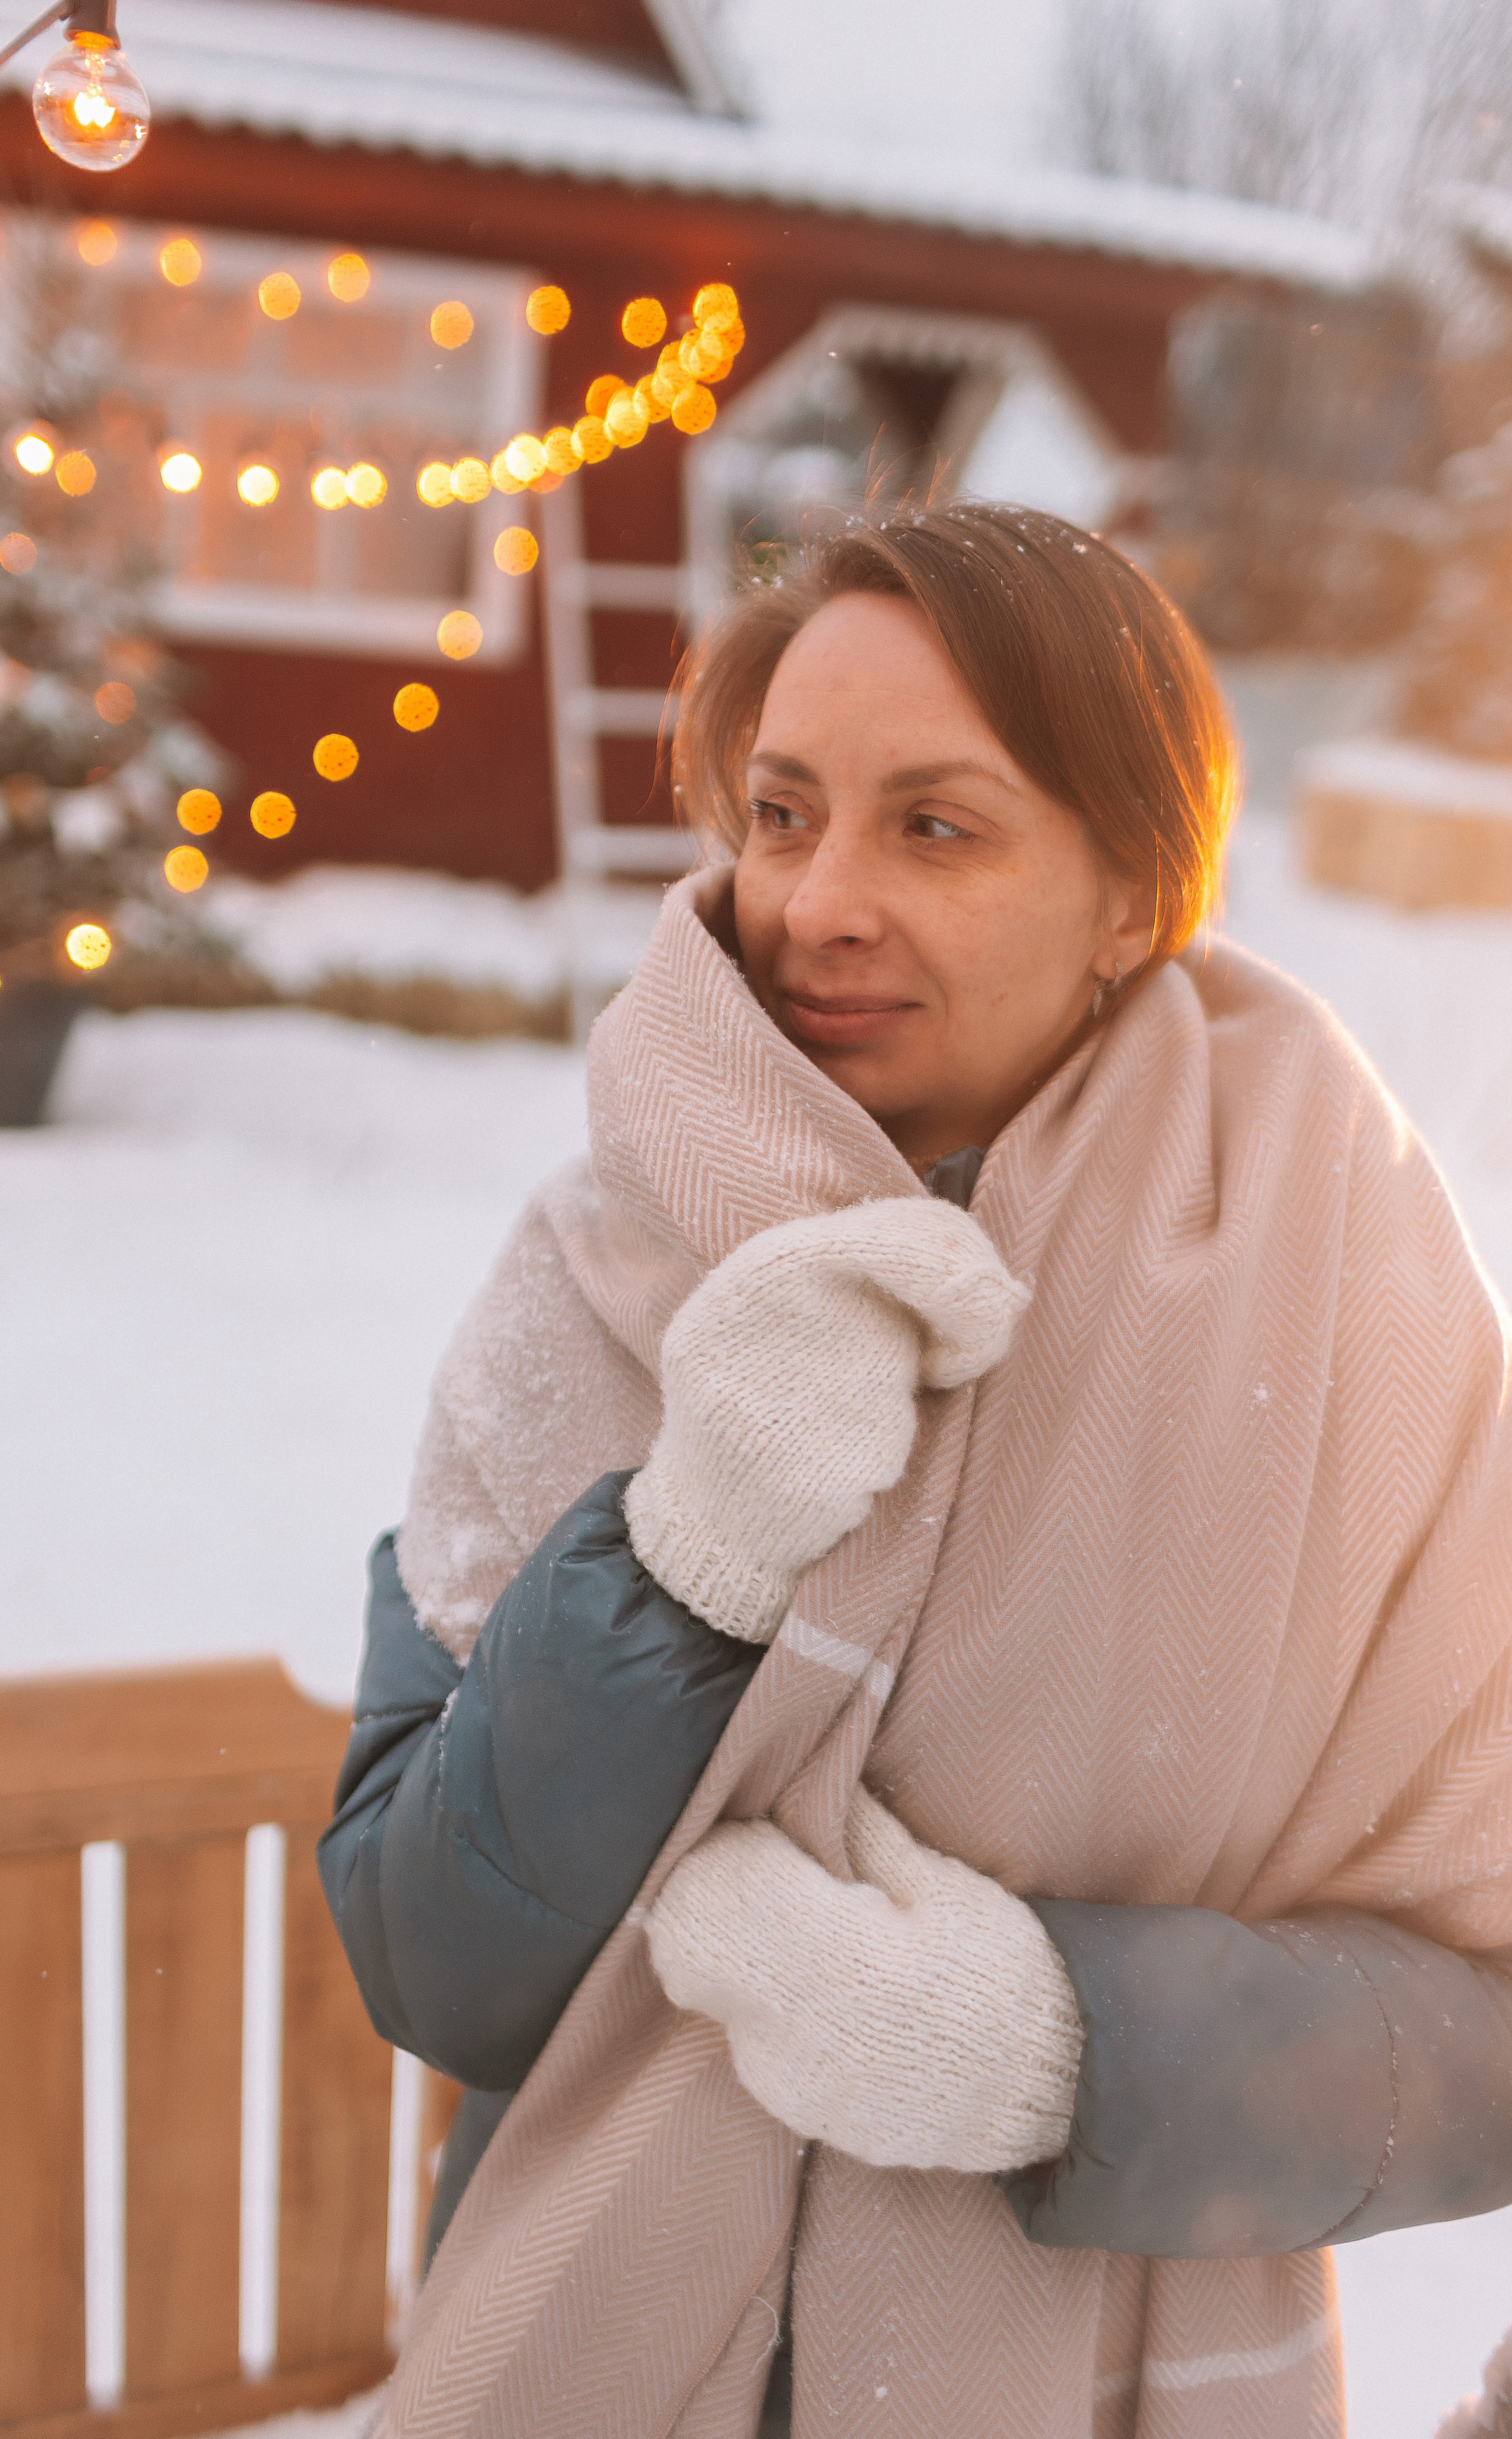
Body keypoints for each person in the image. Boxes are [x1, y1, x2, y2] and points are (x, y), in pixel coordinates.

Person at [319, 504, 1512, 2439]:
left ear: (1135, 889)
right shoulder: (593, 1266)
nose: (815, 902)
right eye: (782, 814)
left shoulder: (1352, 1317)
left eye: (933, 828)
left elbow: (1490, 2008)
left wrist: (1061, 2053)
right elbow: (428, 1952)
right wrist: (685, 1559)